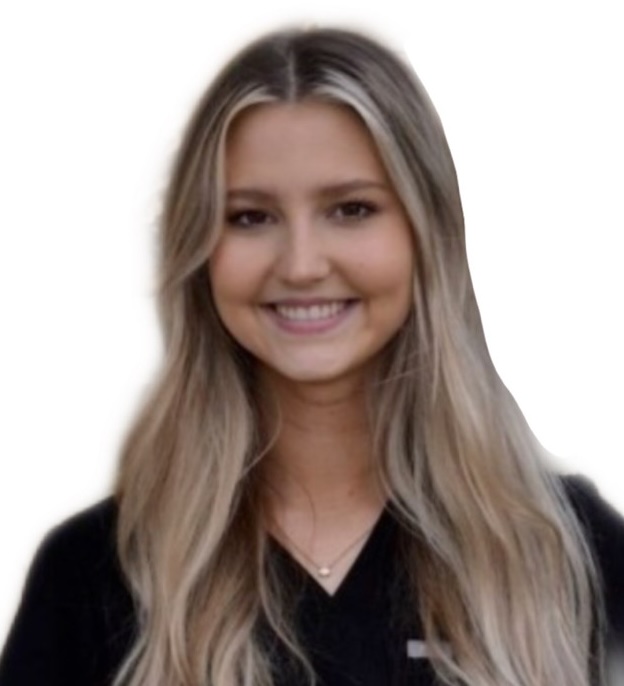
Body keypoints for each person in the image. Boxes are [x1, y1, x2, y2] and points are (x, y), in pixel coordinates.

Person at [0, 25, 623, 686]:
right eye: (250, 217)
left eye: (351, 209)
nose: (301, 265)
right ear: (199, 249)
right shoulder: (94, 576)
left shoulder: (569, 550)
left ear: (426, 231)